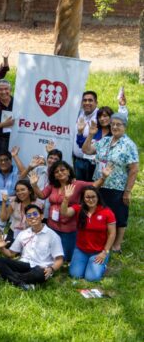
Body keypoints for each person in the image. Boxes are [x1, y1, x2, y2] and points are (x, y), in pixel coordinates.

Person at [82, 113, 138, 253]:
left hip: (117, 187)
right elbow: (86, 150)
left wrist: (127, 191)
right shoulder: (105, 141)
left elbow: (134, 169)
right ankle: (101, 239)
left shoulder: (129, 145)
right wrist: (91, 135)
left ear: (125, 126)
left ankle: (117, 245)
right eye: (113, 124)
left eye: (118, 124)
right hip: (99, 184)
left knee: (119, 215)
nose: (115, 127)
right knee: (99, 212)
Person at [31, 160, 106, 262]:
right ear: (54, 175)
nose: (60, 173)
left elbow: (94, 186)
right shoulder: (52, 185)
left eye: (62, 170)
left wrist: (103, 177)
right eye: (56, 172)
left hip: (69, 227)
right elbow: (42, 195)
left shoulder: (77, 184)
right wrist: (34, 185)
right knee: (51, 253)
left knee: (66, 257)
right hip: (52, 225)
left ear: (69, 171)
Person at [0, 204, 64, 291]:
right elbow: (11, 254)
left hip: (40, 268)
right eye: (29, 215)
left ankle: (7, 277)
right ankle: (21, 283)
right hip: (24, 265)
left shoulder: (53, 236)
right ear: (26, 219)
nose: (32, 217)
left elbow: (59, 259)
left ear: (42, 216)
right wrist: (2, 248)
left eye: (35, 214)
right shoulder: (23, 233)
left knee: (40, 274)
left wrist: (51, 269)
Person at [58, 186, 116, 282]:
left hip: (99, 251)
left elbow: (112, 234)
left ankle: (102, 266)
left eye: (93, 197)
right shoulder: (79, 208)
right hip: (81, 250)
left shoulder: (107, 212)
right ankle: (87, 263)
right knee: (75, 275)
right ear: (83, 199)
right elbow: (64, 213)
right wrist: (66, 198)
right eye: (87, 197)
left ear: (98, 197)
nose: (91, 200)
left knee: (91, 278)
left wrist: (104, 252)